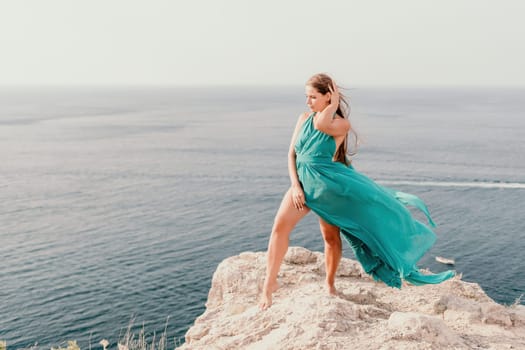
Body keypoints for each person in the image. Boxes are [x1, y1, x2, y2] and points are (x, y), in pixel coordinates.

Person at [259, 73, 455, 310]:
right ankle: (269, 284)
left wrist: (332, 106)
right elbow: (292, 154)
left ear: (328, 97)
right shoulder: (303, 118)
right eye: (306, 96)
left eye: (313, 97)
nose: (308, 102)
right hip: (302, 185)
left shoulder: (341, 124)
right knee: (279, 228)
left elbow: (322, 124)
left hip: (327, 189)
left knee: (330, 238)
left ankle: (330, 285)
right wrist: (295, 185)